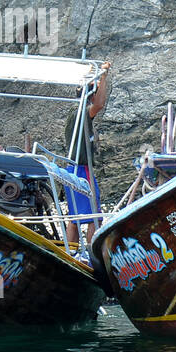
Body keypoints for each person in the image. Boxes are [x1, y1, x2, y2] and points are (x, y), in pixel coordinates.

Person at [64, 62, 112, 252]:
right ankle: (92, 253)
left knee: (74, 217)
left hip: (70, 169)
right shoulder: (83, 113)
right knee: (95, 216)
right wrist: (104, 76)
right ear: (89, 96)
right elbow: (99, 104)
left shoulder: (73, 114)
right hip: (81, 170)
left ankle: (70, 252)